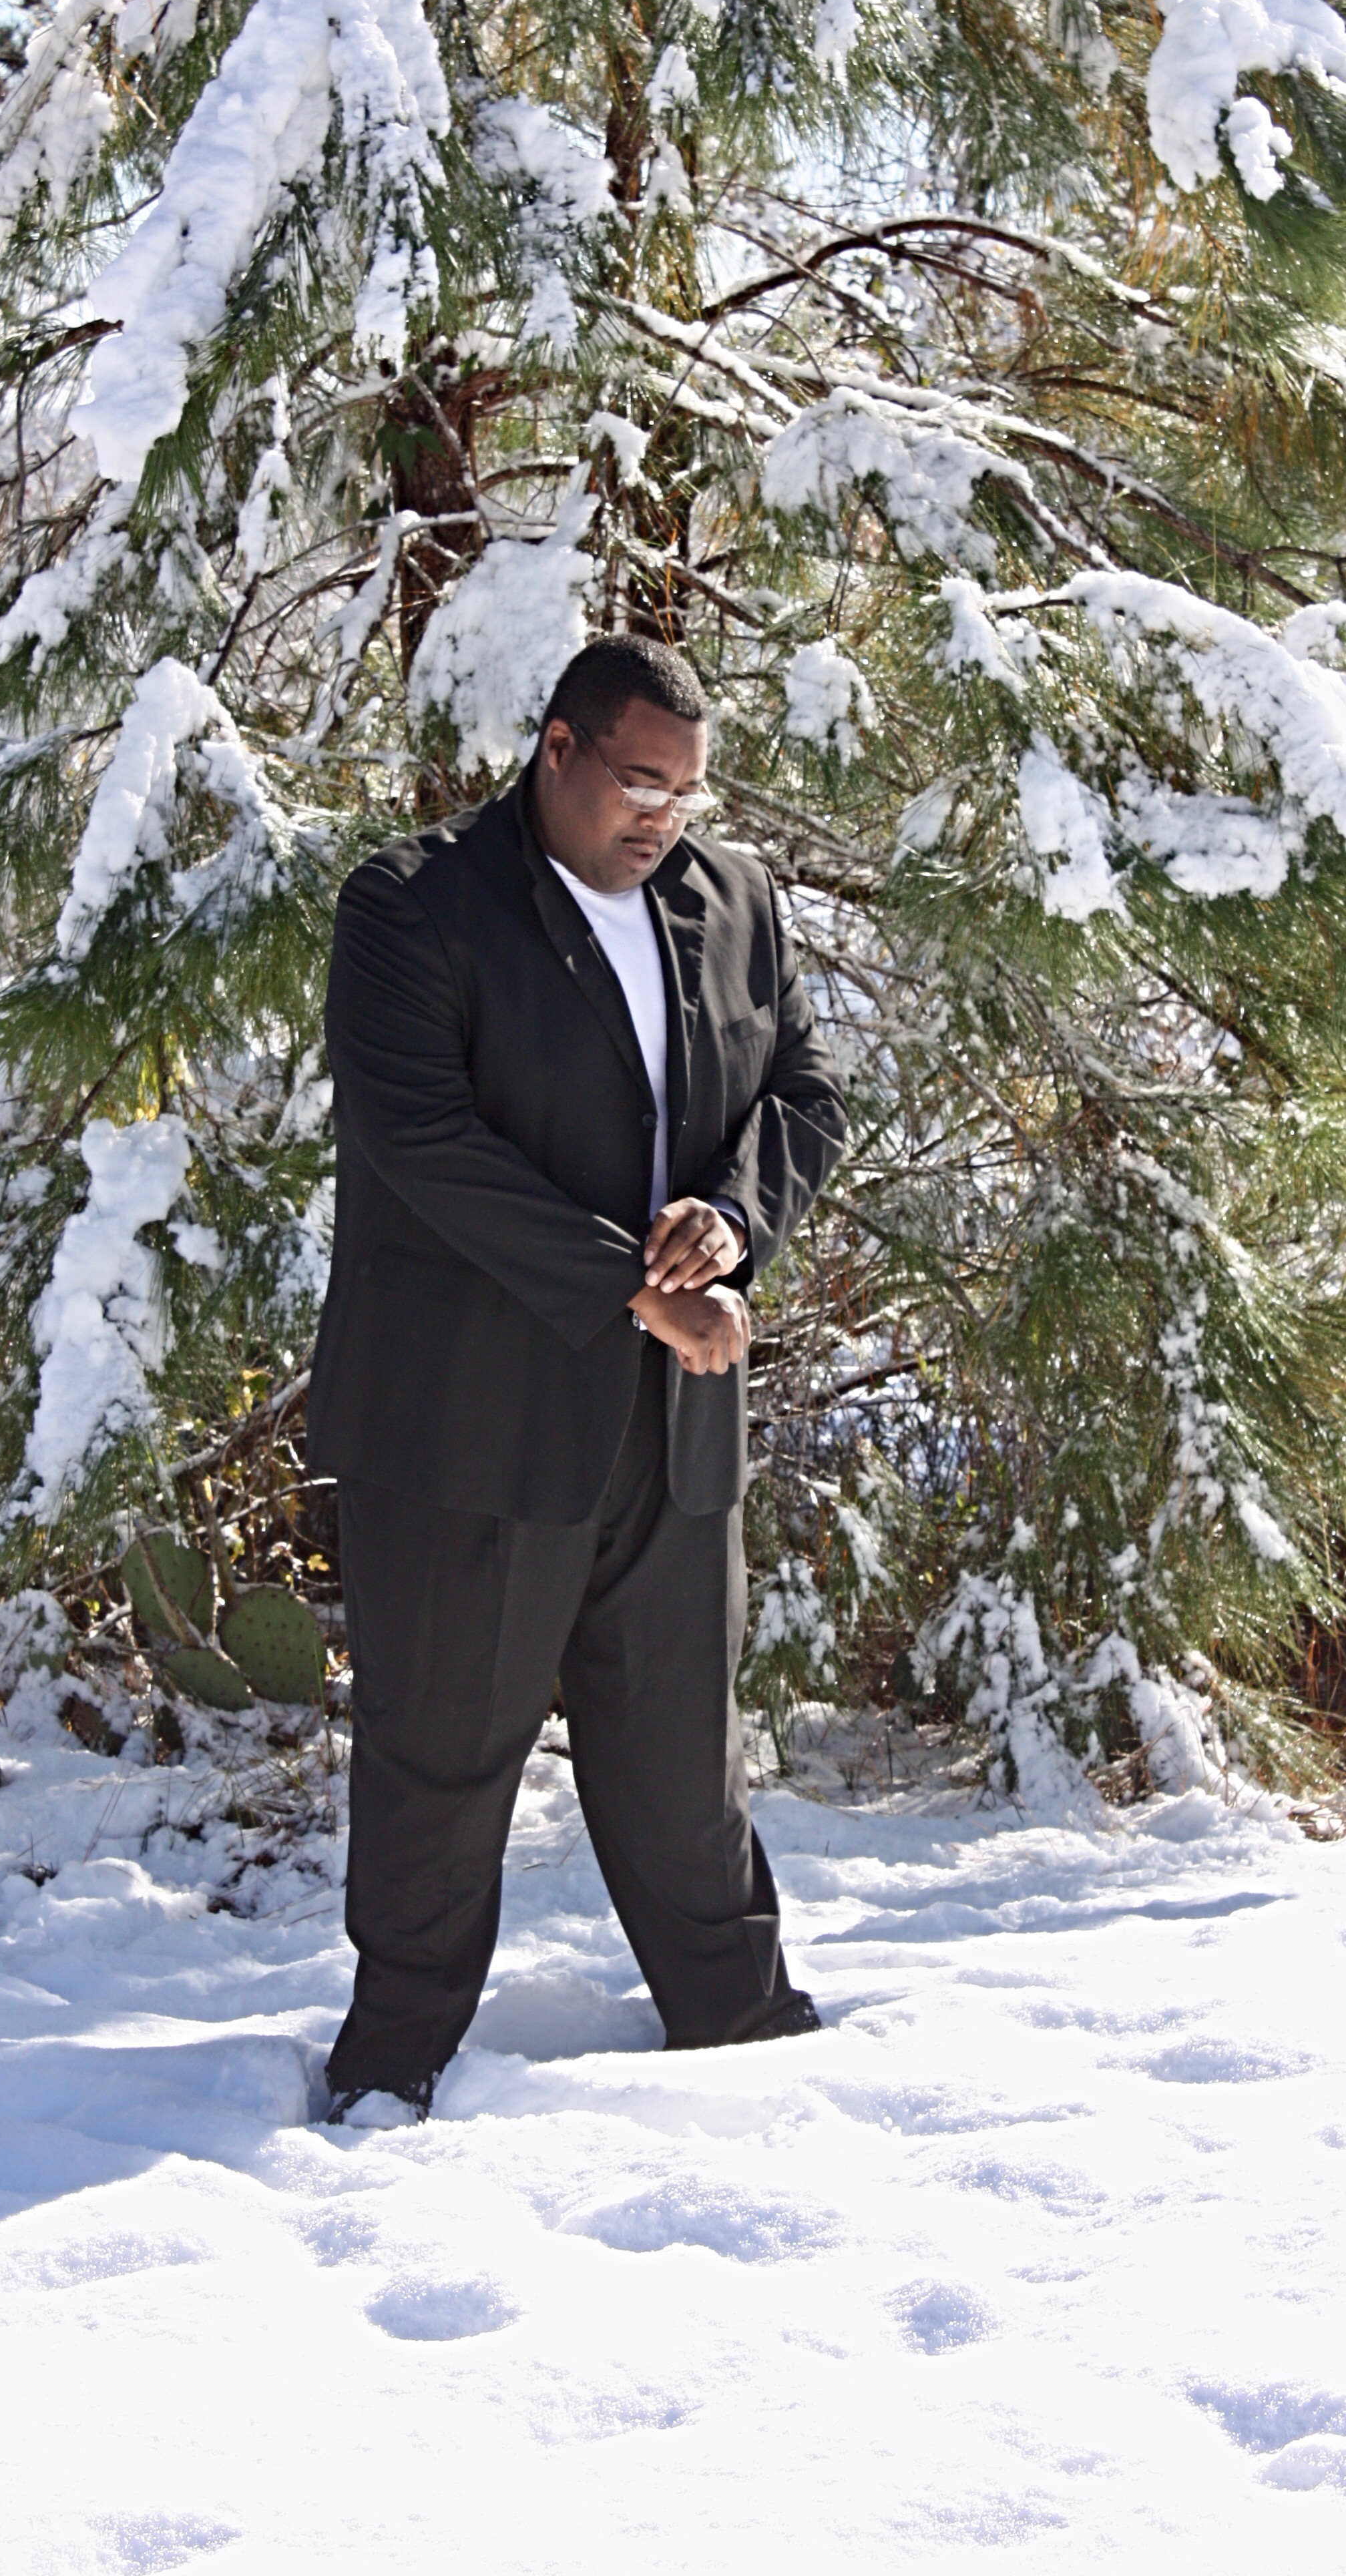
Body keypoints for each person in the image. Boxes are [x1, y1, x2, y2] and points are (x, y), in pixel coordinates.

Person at [308, 632, 847, 2121]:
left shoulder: (733, 900)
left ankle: (743, 2035)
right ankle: (389, 2075)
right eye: (638, 783)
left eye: (687, 791)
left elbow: (803, 1093)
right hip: (469, 1428)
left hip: (672, 1431)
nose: (664, 816)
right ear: (556, 748)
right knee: (440, 1763)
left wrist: (728, 1222)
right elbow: (422, 1145)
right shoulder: (412, 905)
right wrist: (633, 1287)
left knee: (681, 1763)